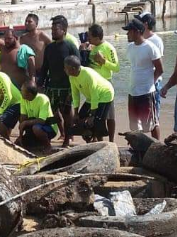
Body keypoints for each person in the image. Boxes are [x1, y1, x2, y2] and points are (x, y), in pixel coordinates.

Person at [38, 15, 80, 146]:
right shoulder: (49, 48)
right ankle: (61, 133)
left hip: (67, 86)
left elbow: (79, 65)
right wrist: (41, 83)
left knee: (67, 113)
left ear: (64, 31)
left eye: (56, 29)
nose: (53, 31)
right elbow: (45, 67)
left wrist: (77, 86)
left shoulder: (70, 46)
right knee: (53, 113)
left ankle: (68, 138)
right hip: (52, 86)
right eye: (52, 29)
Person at [124, 18, 163, 139]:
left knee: (151, 123)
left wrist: (151, 82)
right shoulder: (130, 47)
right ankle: (139, 148)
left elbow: (160, 69)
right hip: (132, 91)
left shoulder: (150, 47)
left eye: (129, 31)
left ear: (136, 32)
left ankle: (157, 147)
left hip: (146, 92)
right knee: (135, 124)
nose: (127, 34)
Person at [81, 24, 119, 142]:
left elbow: (116, 67)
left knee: (110, 115)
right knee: (96, 114)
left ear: (97, 37)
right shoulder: (91, 47)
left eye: (90, 36)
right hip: (93, 85)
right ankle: (98, 140)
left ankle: (111, 141)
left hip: (106, 85)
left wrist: (104, 61)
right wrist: (83, 52)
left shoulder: (108, 47)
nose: (88, 39)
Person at [64, 55, 115, 142]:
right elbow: (75, 94)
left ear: (73, 68)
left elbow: (95, 94)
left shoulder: (88, 74)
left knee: (97, 121)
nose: (64, 70)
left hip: (105, 94)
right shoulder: (71, 76)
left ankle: (102, 143)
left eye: (66, 68)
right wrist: (76, 113)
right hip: (91, 97)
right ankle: (91, 139)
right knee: (80, 119)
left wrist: (92, 116)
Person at [0, 9, 36, 88]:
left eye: (9, 38)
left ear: (16, 38)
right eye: (5, 38)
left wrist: (32, 87)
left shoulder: (25, 51)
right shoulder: (3, 47)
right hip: (5, 87)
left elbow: (32, 74)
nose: (6, 41)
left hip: (20, 88)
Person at [136, 12, 165, 138]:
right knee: (141, 118)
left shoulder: (156, 41)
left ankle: (156, 144)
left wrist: (151, 82)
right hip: (140, 85)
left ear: (145, 24)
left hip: (152, 84)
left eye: (140, 21)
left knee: (154, 118)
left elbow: (159, 66)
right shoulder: (139, 40)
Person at [0, 61, 23, 139]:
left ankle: (9, 144)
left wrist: (0, 112)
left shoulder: (1, 76)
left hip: (17, 103)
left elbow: (8, 96)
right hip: (7, 104)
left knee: (1, 122)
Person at [17, 82, 58, 149]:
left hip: (49, 126)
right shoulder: (23, 99)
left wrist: (25, 123)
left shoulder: (43, 99)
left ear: (29, 94)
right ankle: (38, 143)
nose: (20, 92)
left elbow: (42, 120)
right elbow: (23, 117)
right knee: (21, 144)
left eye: (22, 91)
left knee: (36, 128)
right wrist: (20, 135)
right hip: (34, 124)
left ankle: (48, 146)